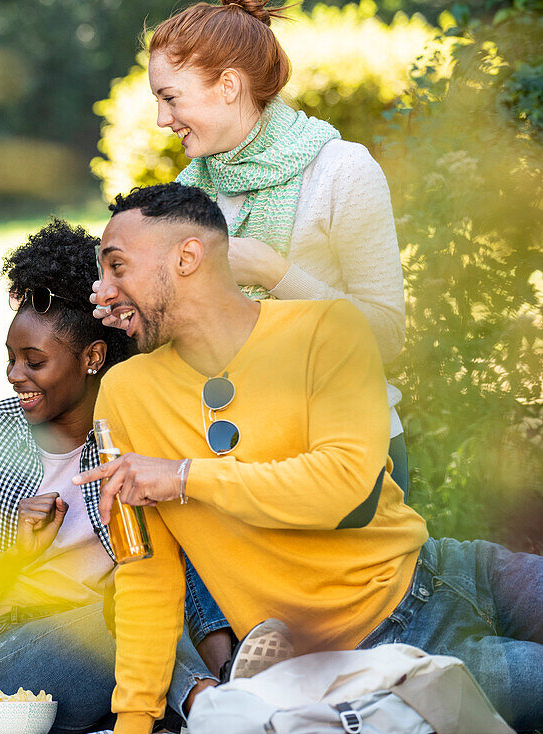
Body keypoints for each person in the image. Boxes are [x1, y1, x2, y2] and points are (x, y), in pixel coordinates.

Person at [76, 182, 543, 733]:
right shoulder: (125, 394)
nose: (100, 292)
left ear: (187, 257)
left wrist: (183, 476)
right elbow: (146, 572)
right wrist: (134, 722)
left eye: (116, 267)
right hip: (356, 666)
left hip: (442, 578)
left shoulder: (327, 330)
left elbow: (343, 483)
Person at [0, 219, 214, 734]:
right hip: (18, 656)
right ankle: (212, 700)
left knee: (150, 596)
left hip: (133, 643)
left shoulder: (135, 430)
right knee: (129, 611)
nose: (15, 375)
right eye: (11, 359)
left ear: (92, 357)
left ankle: (213, 698)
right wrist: (14, 553)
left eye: (33, 361)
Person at [122, 0, 410, 493]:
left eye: (170, 98)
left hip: (343, 454)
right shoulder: (190, 192)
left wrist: (276, 274)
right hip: (229, 459)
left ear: (228, 86)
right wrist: (135, 308)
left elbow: (386, 336)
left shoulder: (342, 171)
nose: (160, 119)